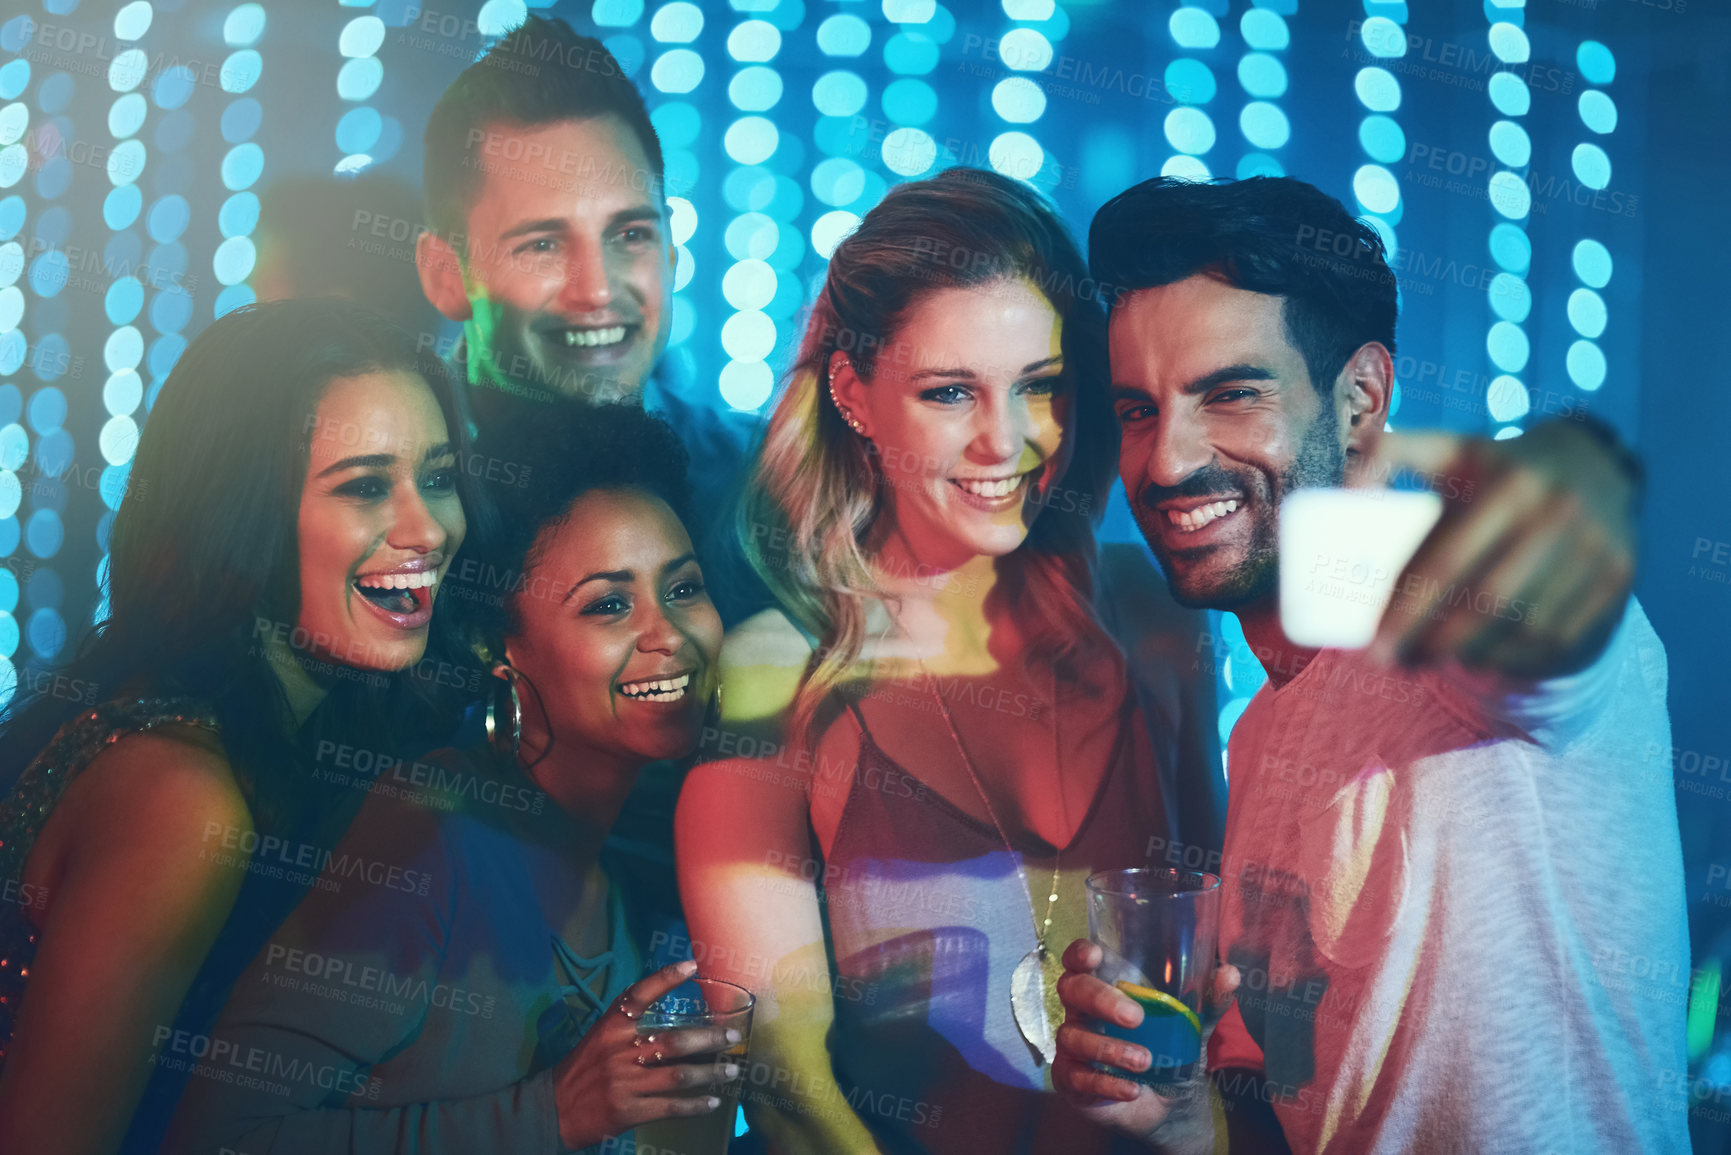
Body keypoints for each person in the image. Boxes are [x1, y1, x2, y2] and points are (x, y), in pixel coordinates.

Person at [1052, 176, 1688, 1154]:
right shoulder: (1264, 733)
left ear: (1360, 401)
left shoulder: (1475, 640)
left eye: (1229, 393)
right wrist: (1176, 1116)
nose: (1168, 460)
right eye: (1138, 410)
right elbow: (1281, 1114)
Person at [675, 167, 1225, 1155]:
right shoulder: (780, 667)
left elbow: (1228, 984)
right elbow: (785, 1079)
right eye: (948, 393)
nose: (1005, 441)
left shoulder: (1156, 618)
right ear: (853, 392)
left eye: (1040, 388)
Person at [164, 404, 742, 1154]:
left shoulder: (617, 884)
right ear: (495, 643)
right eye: (608, 604)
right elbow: (216, 1139)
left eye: (684, 587)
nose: (668, 634)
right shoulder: (429, 836)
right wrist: (548, 1116)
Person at [0, 299, 474, 1155]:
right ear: (242, 513)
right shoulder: (183, 798)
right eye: (367, 486)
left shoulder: (211, 720)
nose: (428, 527)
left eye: (436, 476)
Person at [414, 13, 761, 622]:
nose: (597, 289)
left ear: (673, 253)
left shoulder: (767, 484)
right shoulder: (386, 498)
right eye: (542, 245)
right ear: (447, 274)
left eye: (629, 233)